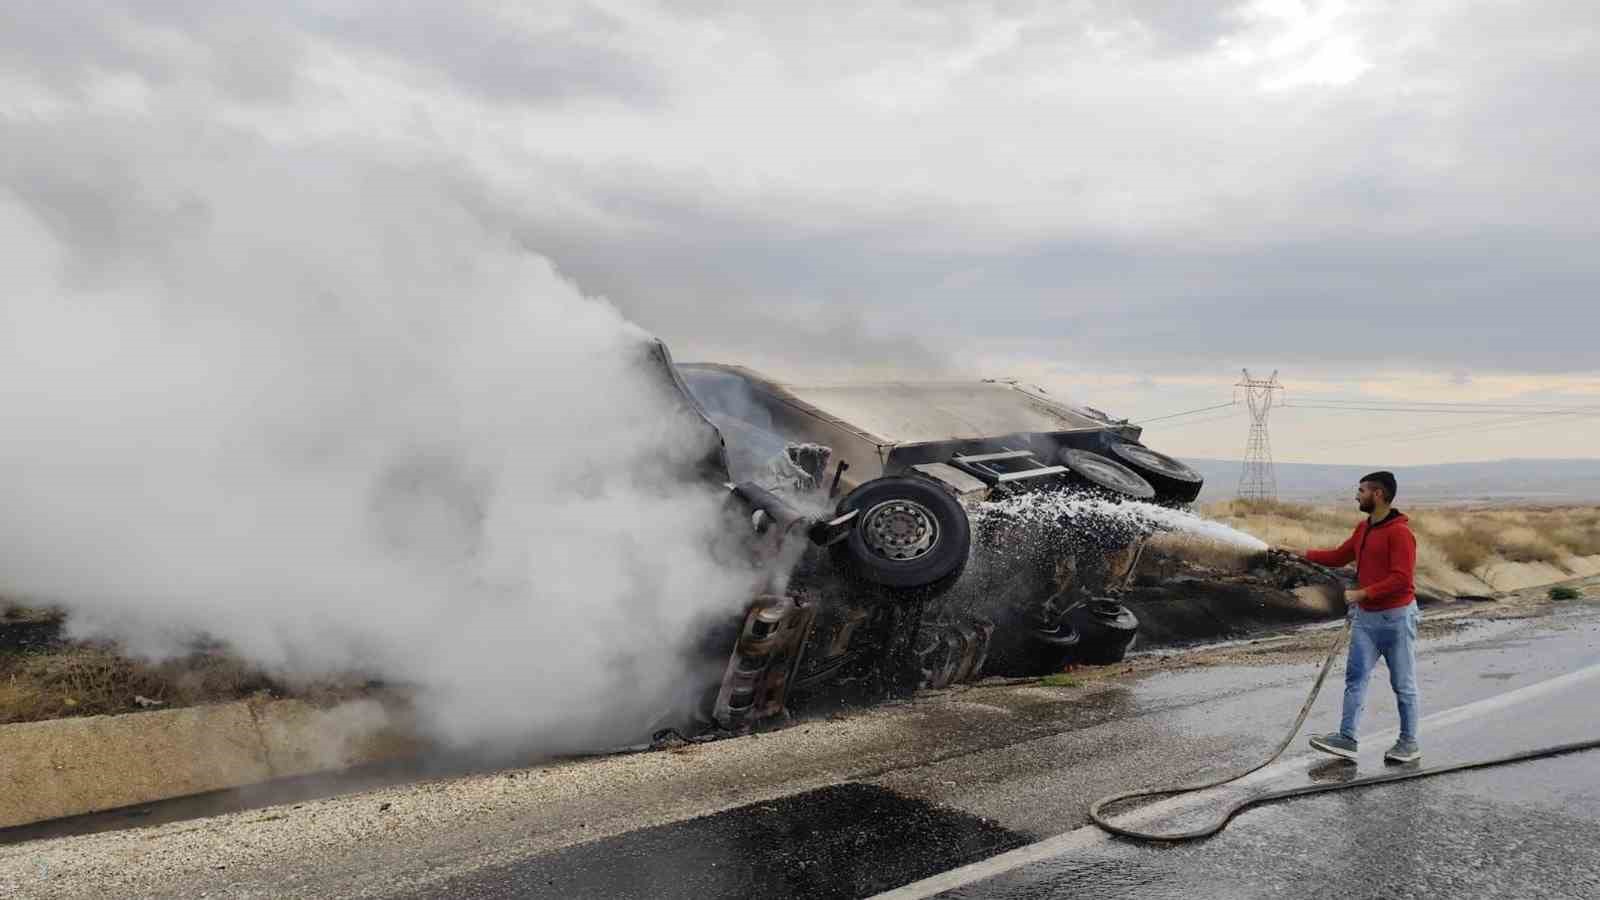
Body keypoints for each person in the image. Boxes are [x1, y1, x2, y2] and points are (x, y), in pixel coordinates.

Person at [1277, 471, 1421, 763]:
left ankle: (1408, 743)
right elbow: (1339, 556)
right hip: (1366, 621)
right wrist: (1299, 553)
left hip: (1396, 618)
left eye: (1362, 490)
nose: (1357, 495)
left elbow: (1402, 579)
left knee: (1403, 683)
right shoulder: (1363, 529)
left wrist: (1362, 594)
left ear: (1378, 494)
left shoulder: (1400, 533)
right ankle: (1347, 738)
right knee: (1355, 679)